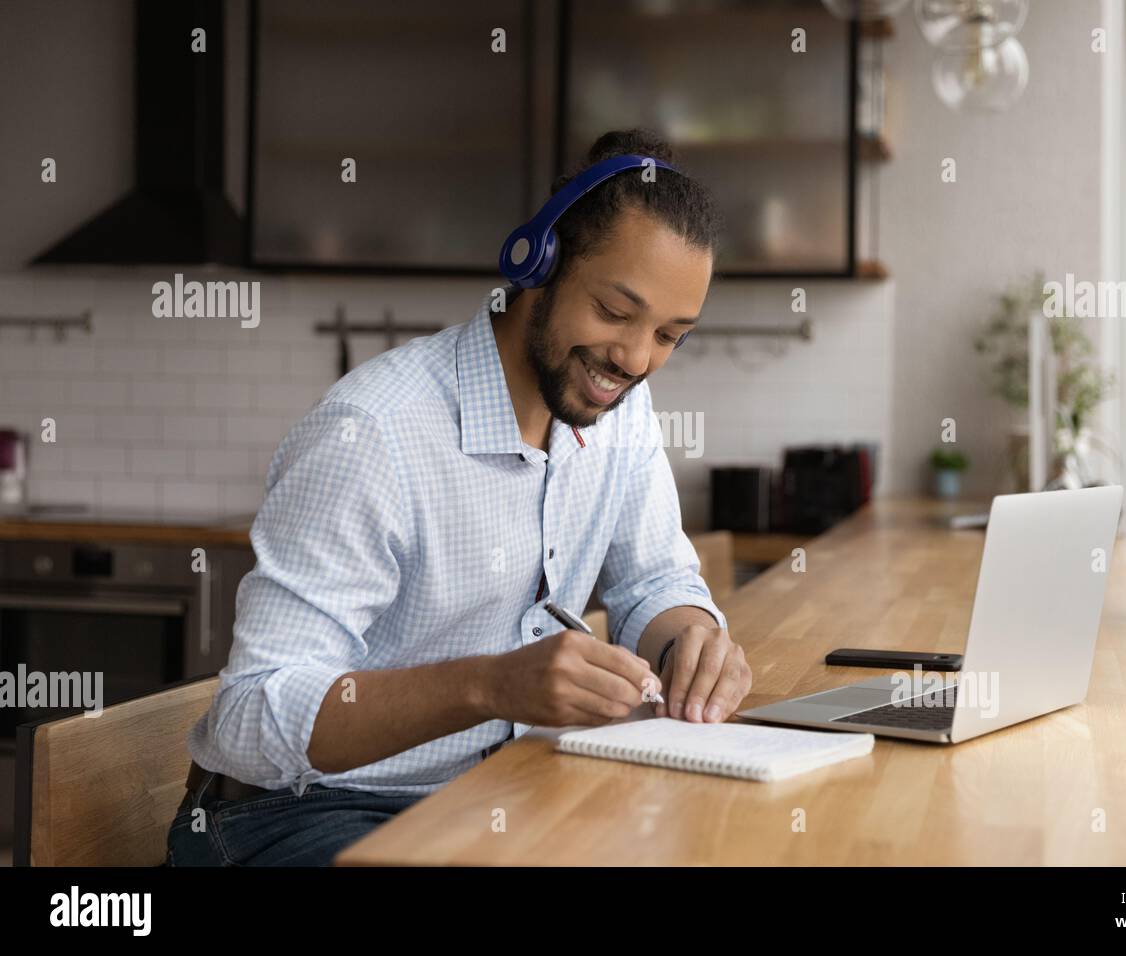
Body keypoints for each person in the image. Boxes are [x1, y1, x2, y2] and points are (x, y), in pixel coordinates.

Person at [167, 128, 752, 866]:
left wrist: (690, 639)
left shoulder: (617, 411)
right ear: (538, 262)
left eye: (670, 334)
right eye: (614, 312)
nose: (636, 359)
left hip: (486, 794)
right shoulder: (374, 432)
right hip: (296, 816)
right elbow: (254, 713)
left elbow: (653, 581)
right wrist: (489, 685)